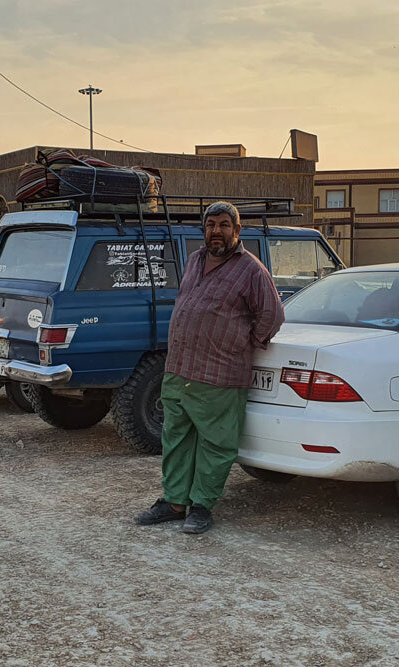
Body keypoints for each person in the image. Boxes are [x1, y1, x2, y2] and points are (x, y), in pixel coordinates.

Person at [134, 201, 285, 534]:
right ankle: (174, 502)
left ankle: (201, 506)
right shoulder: (194, 260)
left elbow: (271, 316)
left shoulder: (251, 269)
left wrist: (239, 345)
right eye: (211, 224)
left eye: (224, 224)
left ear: (237, 230)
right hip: (180, 370)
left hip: (221, 374)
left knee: (215, 444)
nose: (216, 230)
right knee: (176, 440)